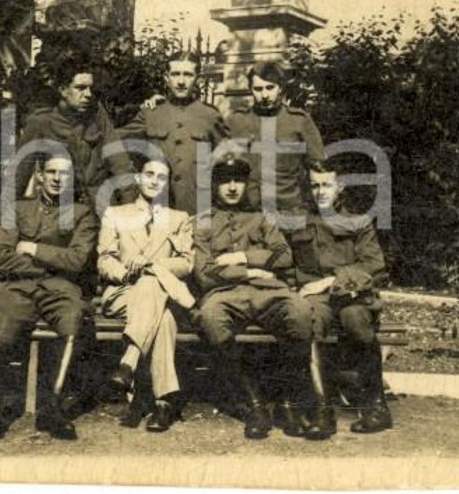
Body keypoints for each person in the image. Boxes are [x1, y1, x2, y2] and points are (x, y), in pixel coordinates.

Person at [193, 154, 333, 440]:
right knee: (210, 317)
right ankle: (254, 405)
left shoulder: (262, 218)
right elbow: (205, 273)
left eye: (238, 181)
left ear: (246, 185)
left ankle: (287, 402)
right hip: (226, 294)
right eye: (225, 181)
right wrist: (250, 273)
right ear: (215, 186)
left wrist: (241, 255)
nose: (232, 187)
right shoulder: (204, 222)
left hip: (270, 293)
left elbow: (284, 256)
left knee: (300, 312)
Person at [0, 154, 99, 440]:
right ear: (39, 176)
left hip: (61, 288)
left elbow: (77, 260)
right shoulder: (16, 209)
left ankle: (53, 408)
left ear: (71, 179)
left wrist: (33, 249)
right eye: (50, 172)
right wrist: (54, 259)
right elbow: (2, 260)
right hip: (19, 287)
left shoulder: (82, 214)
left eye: (63, 174)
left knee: (75, 321)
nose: (56, 178)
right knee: (3, 322)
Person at [285, 164, 393, 434]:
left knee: (355, 318)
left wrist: (333, 281)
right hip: (315, 296)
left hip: (350, 294)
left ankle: (377, 407)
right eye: (314, 185)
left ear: (340, 188)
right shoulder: (299, 223)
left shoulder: (358, 222)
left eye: (326, 185)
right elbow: (287, 265)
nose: (320, 191)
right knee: (306, 320)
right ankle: (323, 411)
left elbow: (373, 266)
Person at [97, 156, 200, 432]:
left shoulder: (178, 219)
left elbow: (186, 263)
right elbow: (104, 259)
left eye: (162, 177)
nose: (155, 181)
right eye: (150, 174)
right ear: (138, 178)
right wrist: (124, 272)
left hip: (160, 291)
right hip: (124, 291)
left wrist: (152, 265)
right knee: (158, 308)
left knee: (156, 294)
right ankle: (163, 401)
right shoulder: (115, 214)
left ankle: (130, 367)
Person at [8, 65, 135, 216]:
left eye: (90, 88)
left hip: (99, 209)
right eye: (80, 88)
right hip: (59, 212)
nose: (88, 94)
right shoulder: (41, 121)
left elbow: (120, 163)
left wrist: (130, 208)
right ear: (63, 90)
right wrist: (1, 220)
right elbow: (19, 173)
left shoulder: (97, 115)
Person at [119, 51, 229, 214]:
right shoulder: (151, 113)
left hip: (196, 208)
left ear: (198, 79)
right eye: (175, 74)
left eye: (188, 75)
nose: (181, 81)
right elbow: (116, 141)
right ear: (166, 78)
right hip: (158, 207)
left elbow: (226, 161)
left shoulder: (210, 116)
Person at [225, 61, 325, 222]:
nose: (264, 95)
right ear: (251, 90)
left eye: (270, 87)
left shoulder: (299, 121)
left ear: (280, 88)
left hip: (289, 213)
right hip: (249, 215)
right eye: (258, 89)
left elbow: (319, 170)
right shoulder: (236, 122)